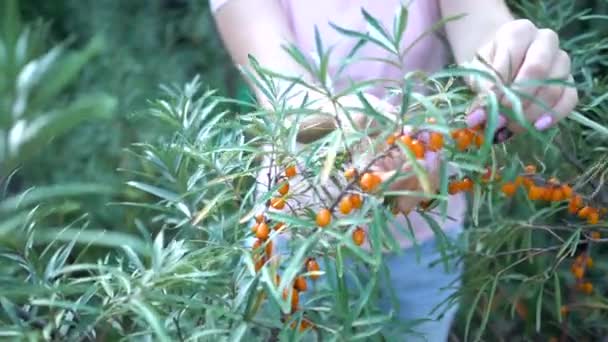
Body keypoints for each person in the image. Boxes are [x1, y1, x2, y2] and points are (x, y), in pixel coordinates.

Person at [210, 0, 578, 340]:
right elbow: (284, 92)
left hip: (428, 240)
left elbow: (486, 35)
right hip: (300, 237)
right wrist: (335, 125)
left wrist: (517, 64)